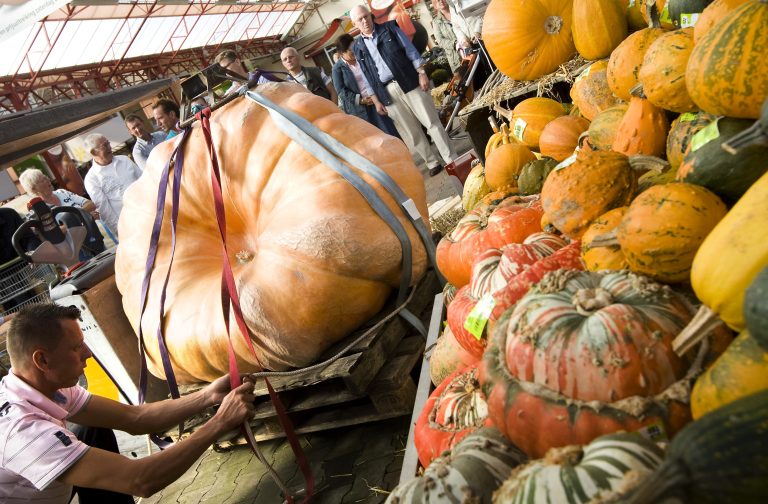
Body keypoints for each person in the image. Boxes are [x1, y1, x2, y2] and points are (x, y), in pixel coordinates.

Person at [0, 303, 255, 502]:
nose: (88, 353)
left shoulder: (47, 387)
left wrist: (207, 396)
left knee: (92, 431)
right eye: (77, 348)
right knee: (114, 469)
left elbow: (133, 418)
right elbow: (140, 481)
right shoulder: (24, 432)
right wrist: (220, 422)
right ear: (42, 361)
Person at [350, 4, 457, 177]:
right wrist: (376, 100)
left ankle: (450, 157)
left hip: (409, 81)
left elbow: (411, 51)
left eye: (365, 16)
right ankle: (432, 162)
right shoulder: (358, 47)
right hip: (387, 93)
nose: (364, 21)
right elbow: (365, 76)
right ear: (355, 24)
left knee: (431, 122)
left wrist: (421, 73)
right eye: (359, 19)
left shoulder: (390, 28)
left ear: (371, 16)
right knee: (412, 132)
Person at [19, 168, 105, 259]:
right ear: (33, 189)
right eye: (42, 180)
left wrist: (71, 223)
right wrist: (85, 217)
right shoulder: (38, 210)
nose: (48, 179)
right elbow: (55, 233)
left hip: (93, 237)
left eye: (46, 177)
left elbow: (90, 204)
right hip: (76, 252)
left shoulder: (62, 192)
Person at [332, 34, 400, 137]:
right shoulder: (337, 69)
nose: (354, 51)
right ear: (342, 53)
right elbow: (341, 91)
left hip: (377, 100)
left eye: (354, 47)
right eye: (351, 50)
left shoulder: (362, 58)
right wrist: (360, 100)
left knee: (391, 132)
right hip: (360, 109)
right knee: (375, 137)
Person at [83, 134, 142, 237]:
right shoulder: (91, 179)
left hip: (150, 212)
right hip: (130, 226)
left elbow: (144, 181)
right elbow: (104, 210)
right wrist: (120, 231)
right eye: (104, 146)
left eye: (108, 143)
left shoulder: (124, 160)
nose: (109, 147)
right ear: (93, 152)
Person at [430, 0, 461, 72]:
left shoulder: (457, 11)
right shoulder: (436, 22)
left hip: (470, 48)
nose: (441, 1)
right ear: (435, 5)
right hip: (456, 59)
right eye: (438, 0)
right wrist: (455, 43)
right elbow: (440, 41)